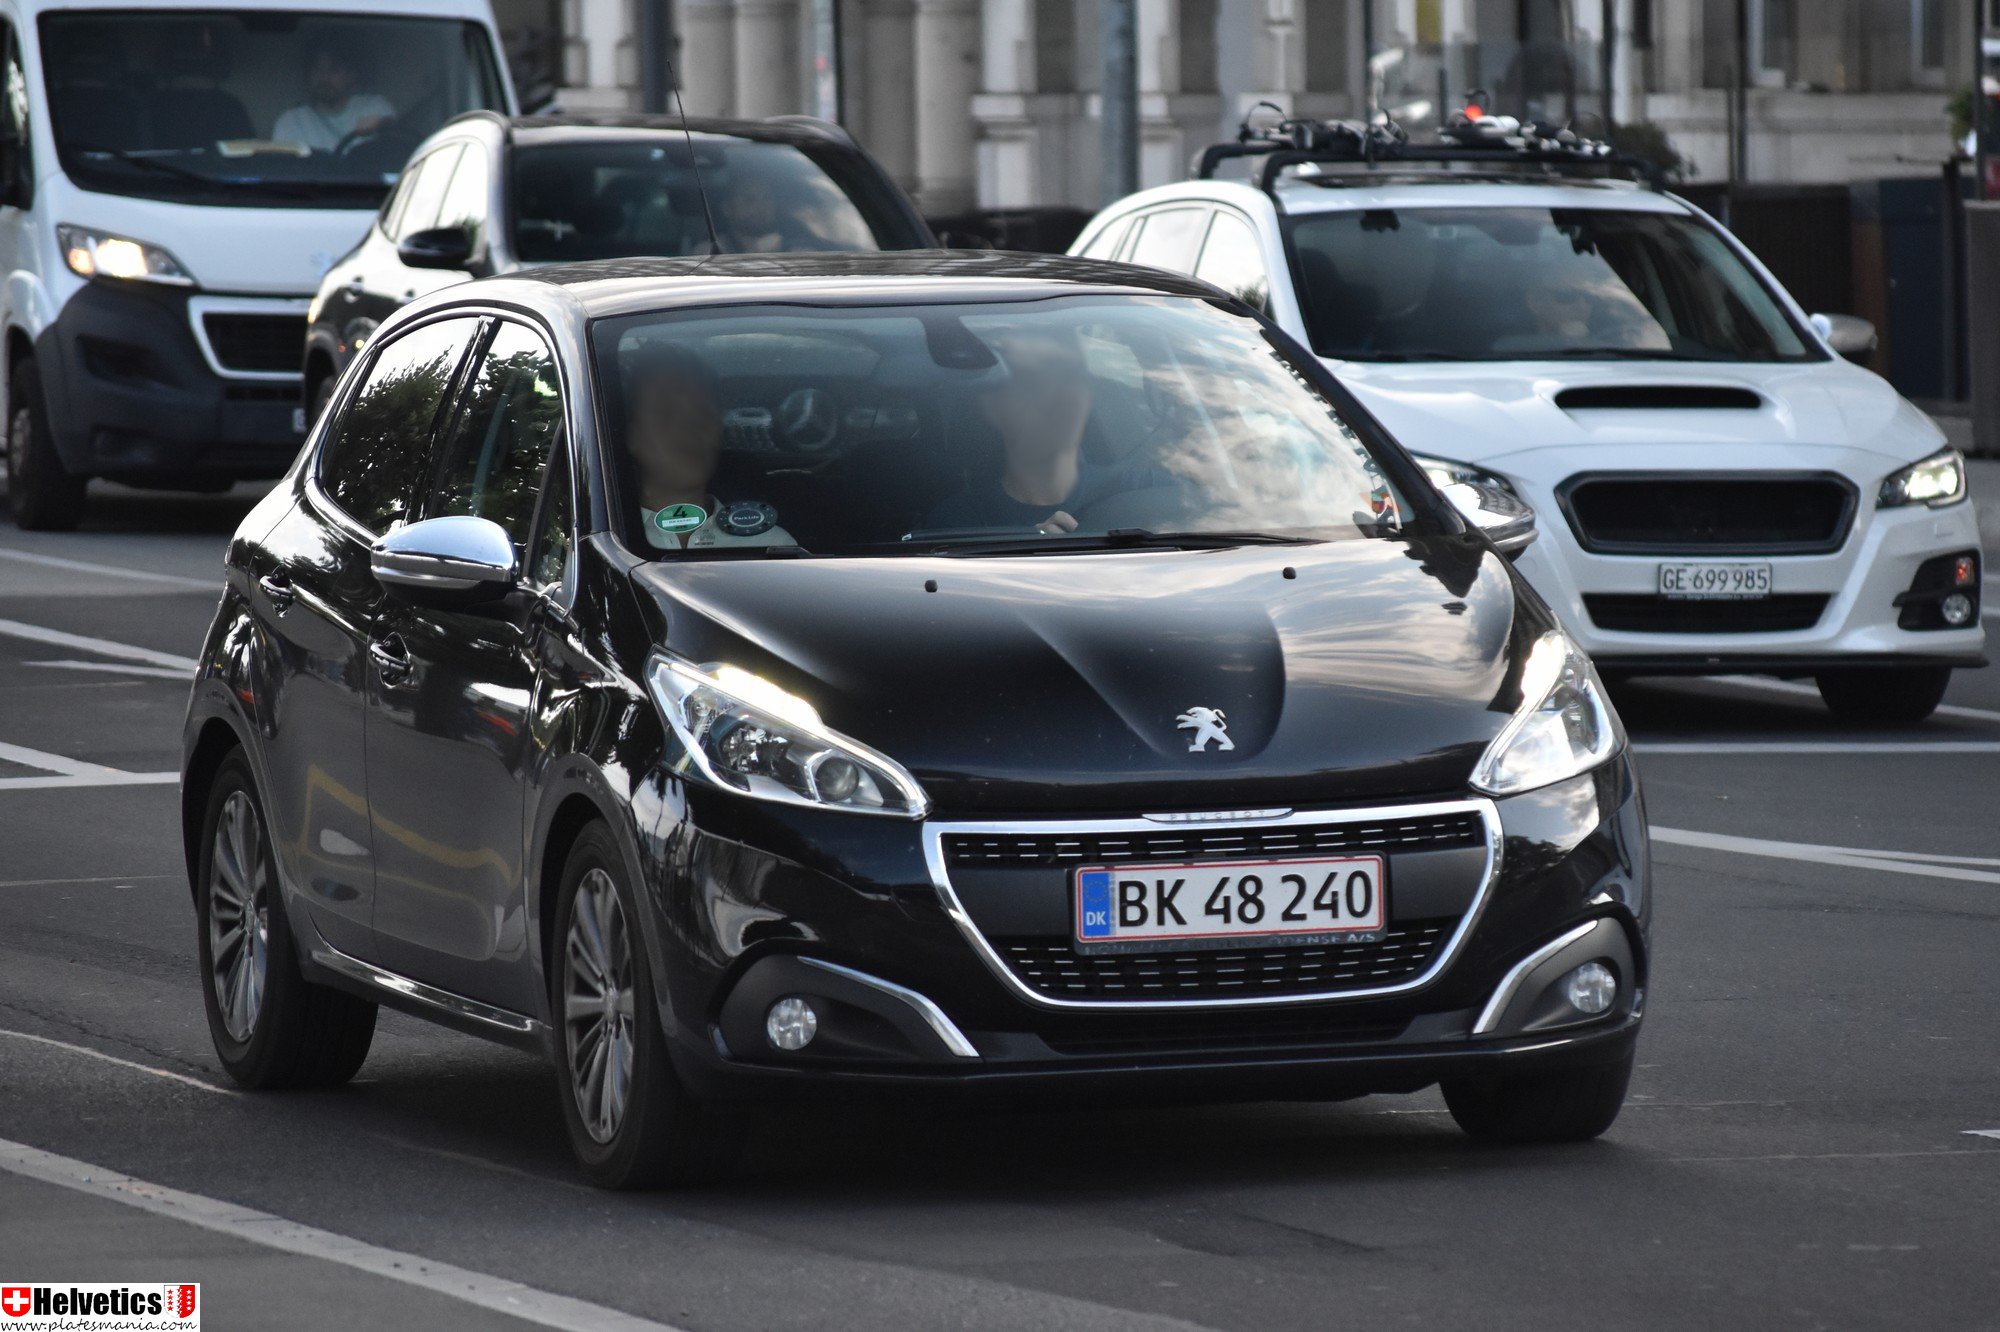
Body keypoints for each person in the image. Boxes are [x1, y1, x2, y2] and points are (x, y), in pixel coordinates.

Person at [922, 330, 1163, 534]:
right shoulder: (956, 524)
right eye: (1033, 381)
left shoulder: (1144, 488)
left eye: (1068, 377)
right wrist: (1031, 548)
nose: (1058, 396)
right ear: (993, 408)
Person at [624, 345, 796, 551]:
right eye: (667, 413)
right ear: (632, 434)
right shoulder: (606, 543)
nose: (690, 430)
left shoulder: (772, 546)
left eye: (702, 414)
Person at [272, 46, 394, 153]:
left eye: (333, 70)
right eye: (317, 69)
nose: (324, 77)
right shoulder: (291, 121)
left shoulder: (374, 107)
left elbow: (395, 138)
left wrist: (381, 124)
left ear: (351, 75)